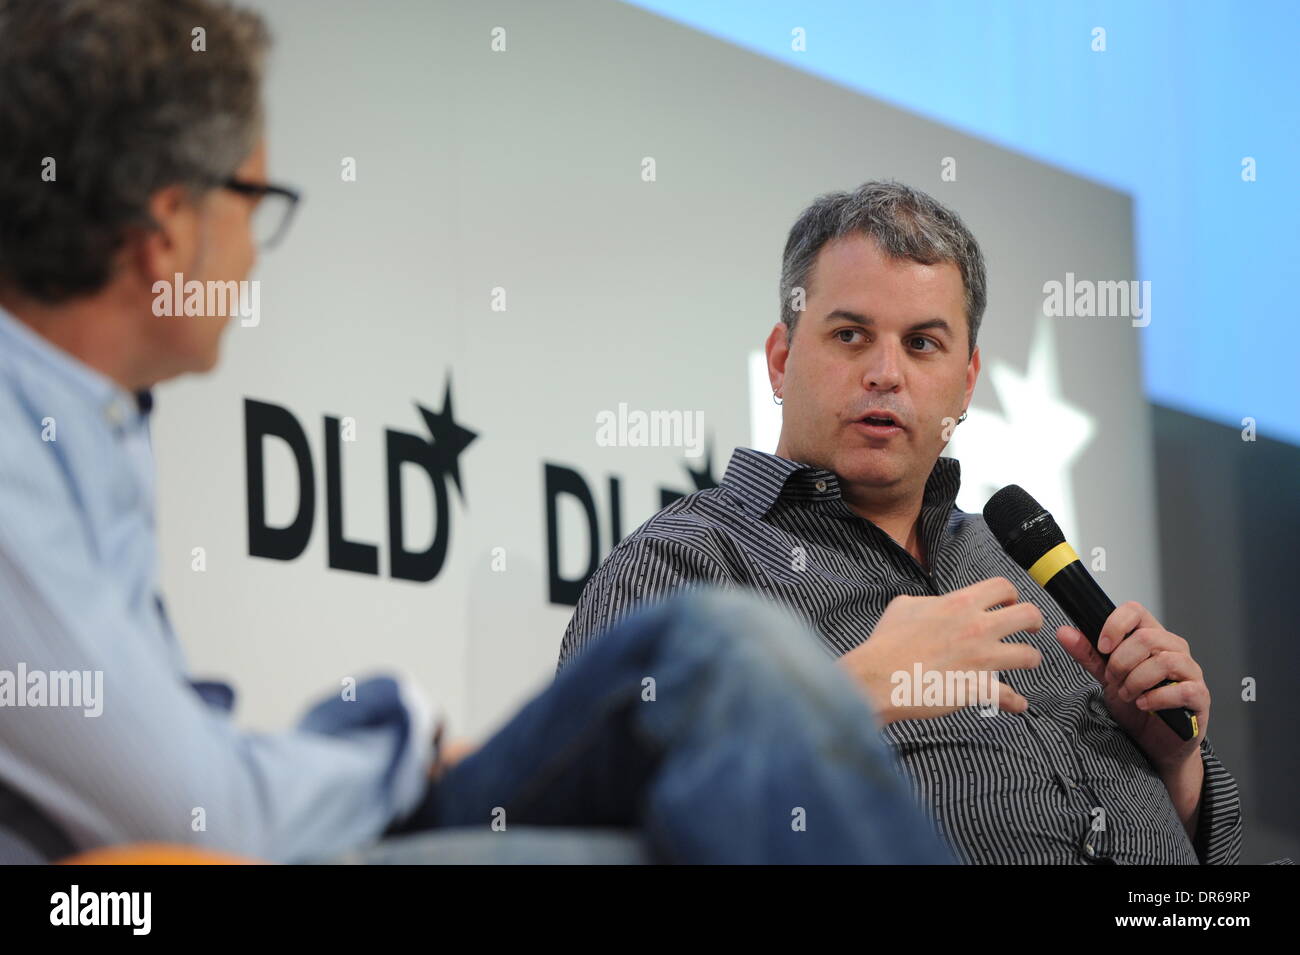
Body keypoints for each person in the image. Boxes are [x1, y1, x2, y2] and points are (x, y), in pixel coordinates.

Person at [0, 0, 951, 865]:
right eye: (255, 202)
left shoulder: (95, 425)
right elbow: (194, 808)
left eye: (923, 343)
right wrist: (393, 739)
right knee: (722, 650)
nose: (254, 252)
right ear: (168, 234)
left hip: (301, 815)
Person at [558, 180, 1244, 865]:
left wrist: (1175, 763)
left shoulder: (1015, 561)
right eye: (851, 335)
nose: (886, 373)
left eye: (921, 343)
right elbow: (597, 823)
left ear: (967, 381)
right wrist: (849, 696)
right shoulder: (686, 564)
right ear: (780, 358)